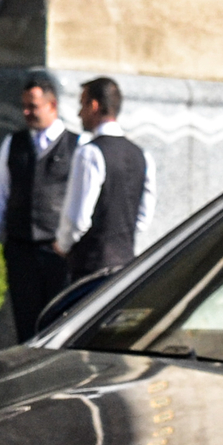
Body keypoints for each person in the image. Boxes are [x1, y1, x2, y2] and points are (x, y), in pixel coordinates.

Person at [0, 68, 79, 337]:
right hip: (20, 249)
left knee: (59, 324)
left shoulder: (76, 145)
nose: (26, 113)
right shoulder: (14, 143)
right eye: (24, 107)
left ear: (52, 105)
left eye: (32, 107)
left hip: (57, 251)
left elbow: (82, 201)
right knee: (26, 325)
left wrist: (73, 243)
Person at [55, 76, 154, 287]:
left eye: (82, 105)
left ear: (94, 105)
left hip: (90, 268)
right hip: (125, 264)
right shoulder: (142, 156)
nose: (79, 113)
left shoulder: (90, 153)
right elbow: (143, 218)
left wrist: (62, 245)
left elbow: (77, 219)